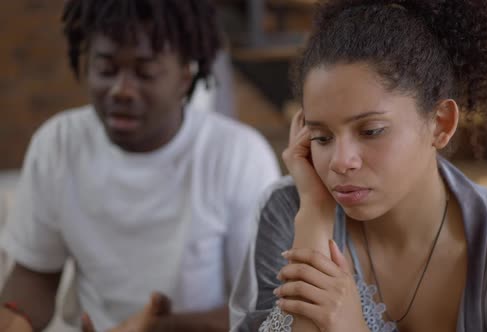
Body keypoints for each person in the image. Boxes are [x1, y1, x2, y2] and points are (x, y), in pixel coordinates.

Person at [229, 0, 487, 331]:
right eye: (321, 137)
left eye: (371, 131)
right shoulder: (291, 209)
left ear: (440, 124)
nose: (340, 162)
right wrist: (314, 219)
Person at [0, 0, 280, 331]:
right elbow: (37, 276)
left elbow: (266, 308)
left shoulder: (237, 157)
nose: (121, 90)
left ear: (185, 77)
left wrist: (164, 326)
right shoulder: (59, 144)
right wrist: (14, 320)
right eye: (105, 70)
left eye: (145, 73)